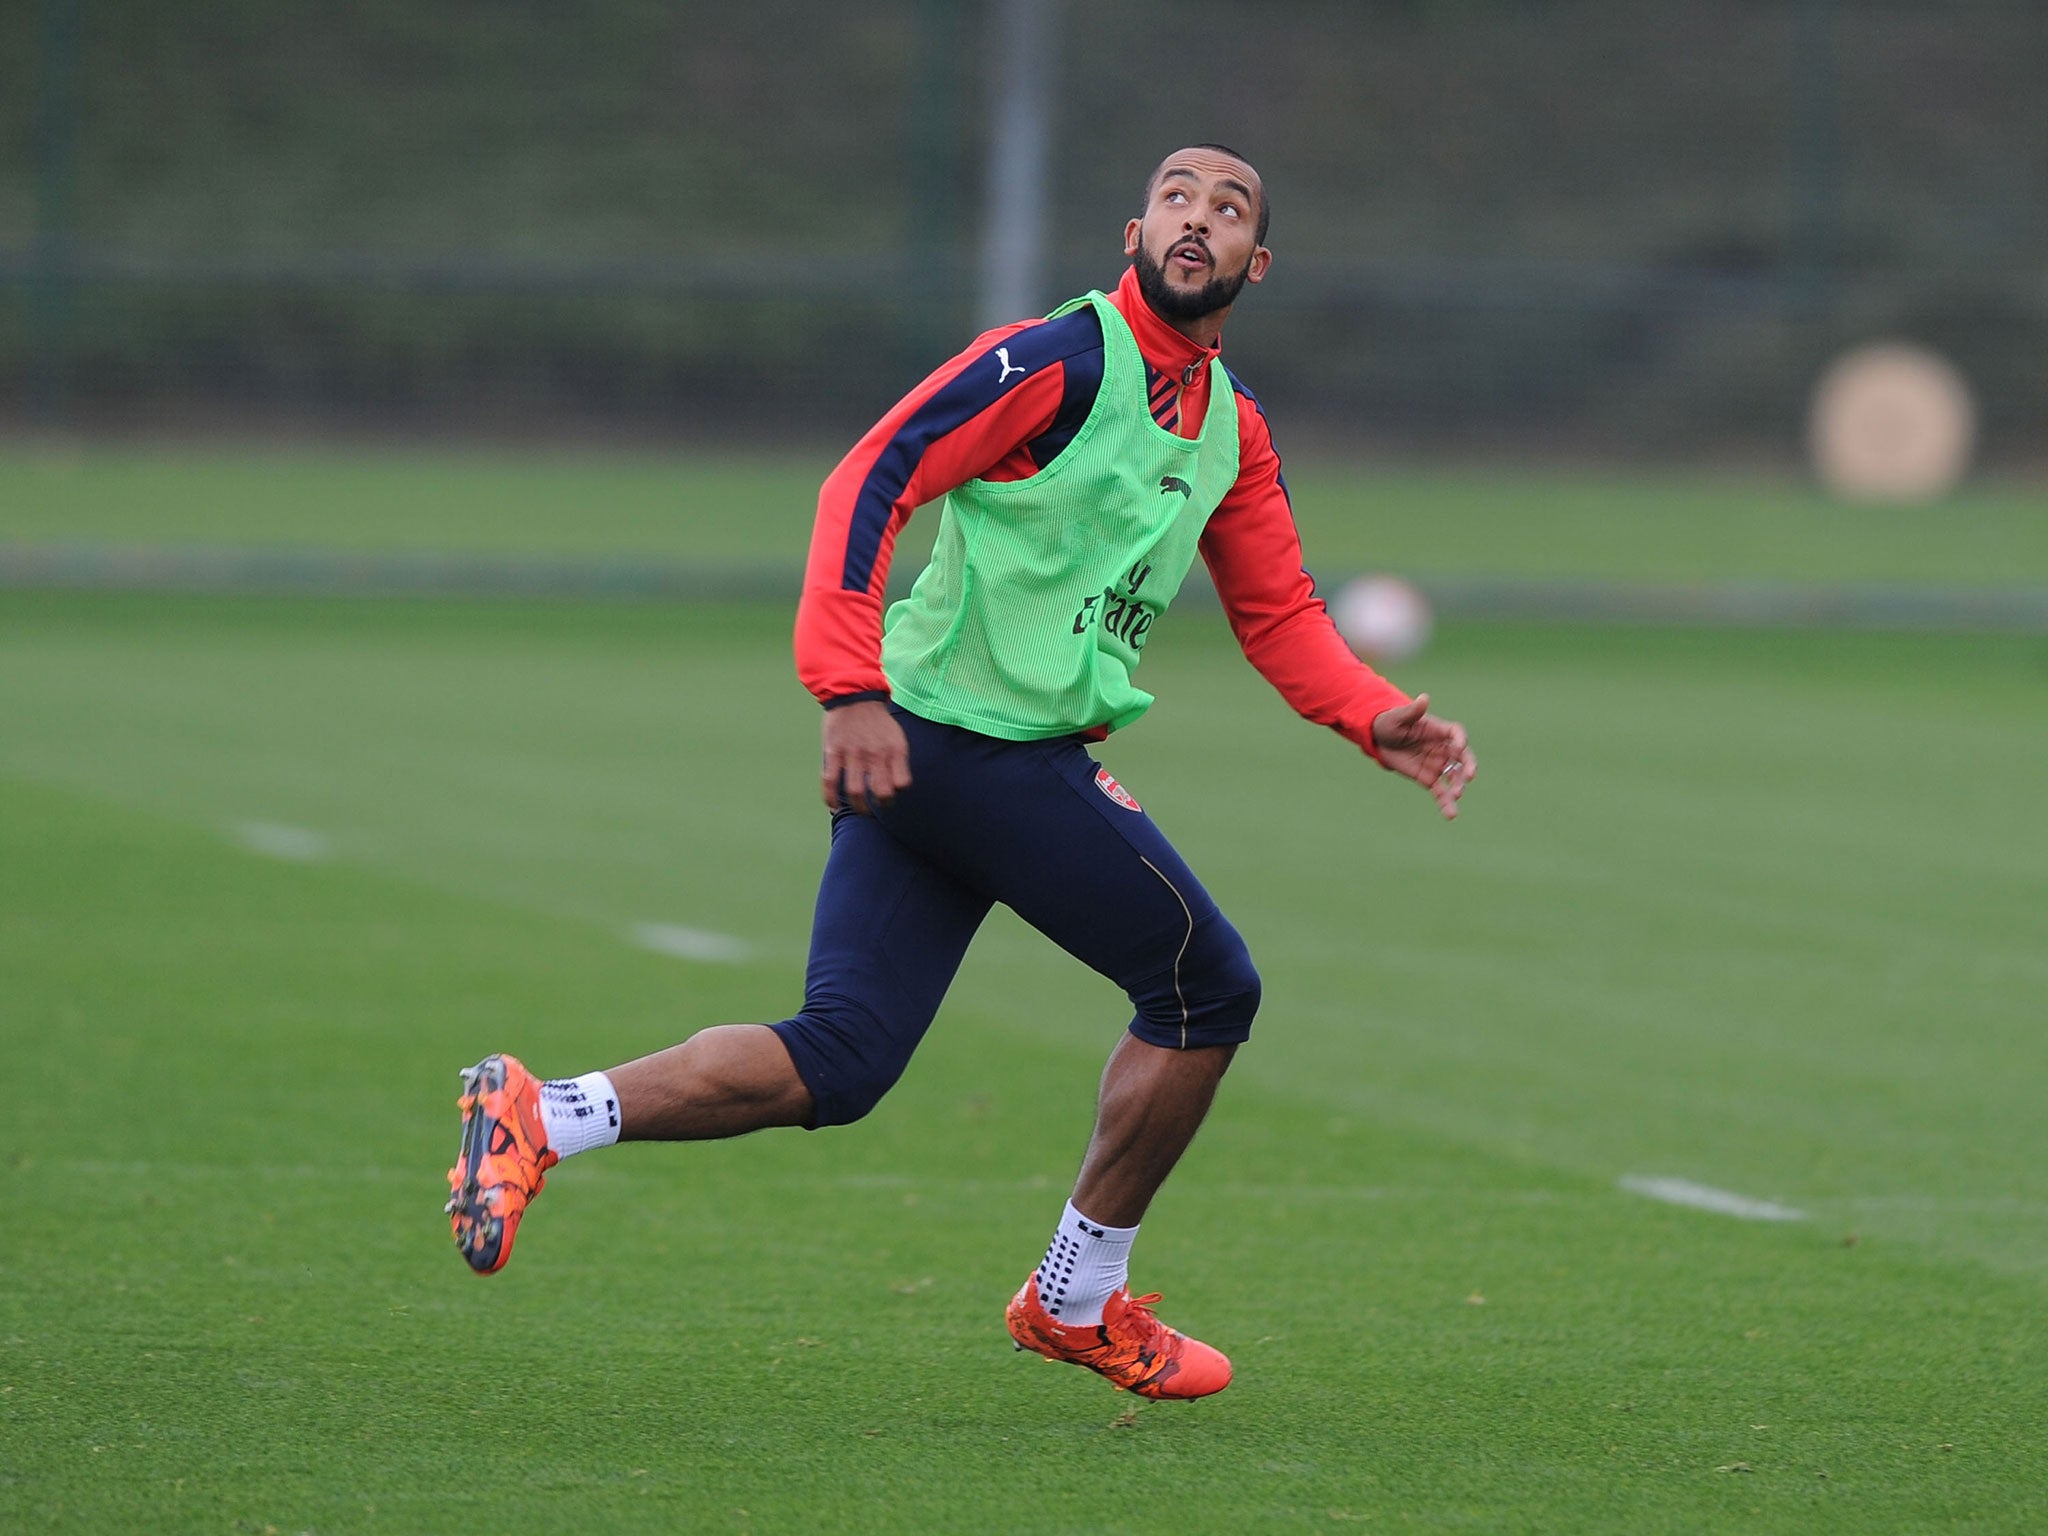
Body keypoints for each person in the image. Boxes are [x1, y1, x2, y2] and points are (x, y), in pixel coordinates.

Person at [446, 143, 1474, 1402]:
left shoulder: (1233, 432)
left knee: (839, 1061)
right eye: (1174, 197)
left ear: (1256, 263)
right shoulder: (1055, 361)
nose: (1195, 218)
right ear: (1133, 230)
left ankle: (540, 1116)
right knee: (1206, 988)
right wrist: (846, 687)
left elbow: (1277, 613)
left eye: (1227, 208)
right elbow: (869, 478)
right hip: (962, 750)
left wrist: (1371, 717)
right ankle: (1075, 1298)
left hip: (932, 763)